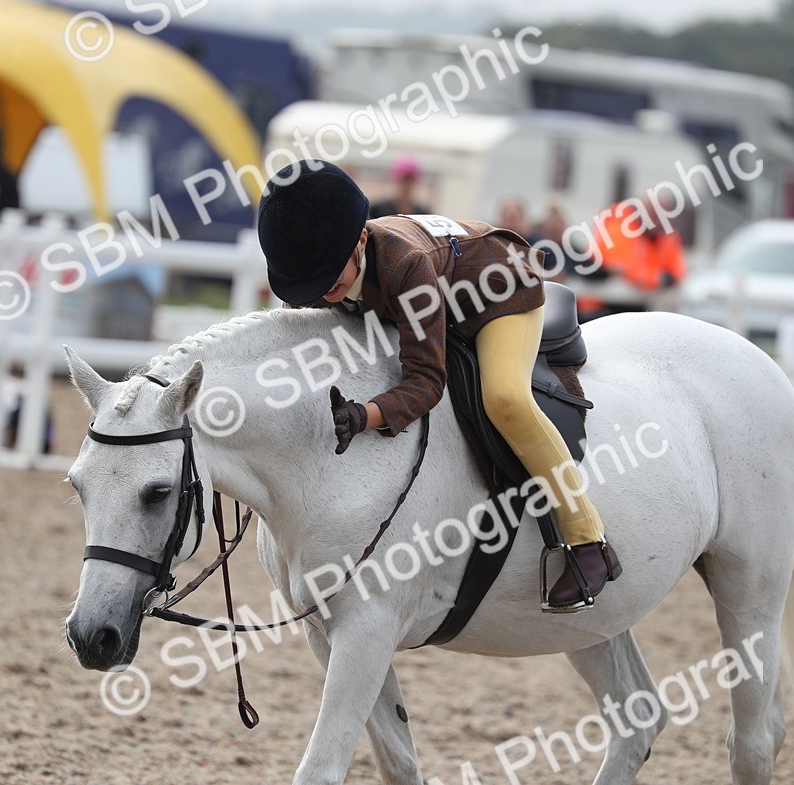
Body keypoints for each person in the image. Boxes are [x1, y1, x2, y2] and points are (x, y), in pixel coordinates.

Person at [257, 159, 621, 612]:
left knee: (505, 400)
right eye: (315, 282)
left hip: (498, 286)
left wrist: (364, 415)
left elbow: (427, 380)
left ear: (362, 240)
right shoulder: (315, 271)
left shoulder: (403, 266)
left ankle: (588, 543)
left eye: (334, 278)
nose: (324, 290)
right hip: (438, 285)